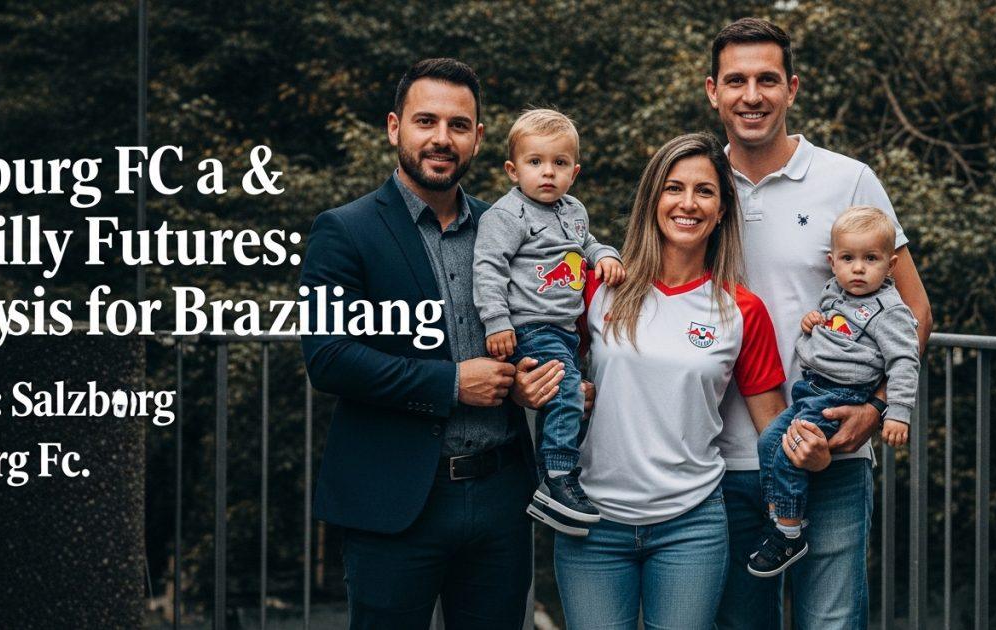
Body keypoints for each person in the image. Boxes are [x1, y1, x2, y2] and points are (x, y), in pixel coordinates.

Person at [299, 58, 567, 630]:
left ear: (479, 138)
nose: (442, 139)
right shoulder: (343, 231)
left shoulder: (508, 226)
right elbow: (328, 358)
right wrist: (451, 383)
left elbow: (539, 320)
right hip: (394, 504)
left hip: (500, 497)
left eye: (459, 125)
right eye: (426, 121)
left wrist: (529, 377)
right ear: (395, 127)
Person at [705, 18, 933, 629]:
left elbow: (914, 309)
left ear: (792, 88)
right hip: (716, 459)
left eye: (767, 80)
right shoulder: (695, 186)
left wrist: (879, 407)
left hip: (832, 448)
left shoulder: (847, 179)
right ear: (712, 91)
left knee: (829, 624)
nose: (751, 95)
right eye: (736, 81)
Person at [554, 132, 787, 629]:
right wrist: (558, 387)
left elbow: (774, 429)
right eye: (673, 188)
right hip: (592, 522)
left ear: (722, 210)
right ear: (652, 199)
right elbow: (547, 363)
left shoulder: (742, 310)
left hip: (692, 525)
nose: (688, 203)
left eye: (704, 191)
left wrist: (822, 439)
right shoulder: (598, 285)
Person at [472, 108, 625, 535]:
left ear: (573, 172)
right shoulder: (507, 215)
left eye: (559, 164)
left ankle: (563, 474)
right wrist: (497, 322)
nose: (547, 173)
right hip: (531, 325)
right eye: (535, 162)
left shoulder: (574, 210)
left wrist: (605, 255)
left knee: (582, 398)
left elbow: (586, 243)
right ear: (512, 169)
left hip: (565, 329)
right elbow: (488, 268)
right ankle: (557, 477)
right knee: (568, 396)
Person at [749, 205, 919, 578]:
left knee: (789, 454)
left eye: (870, 259)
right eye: (848, 258)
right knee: (767, 443)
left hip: (842, 397)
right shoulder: (835, 291)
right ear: (833, 262)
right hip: (809, 390)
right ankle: (779, 516)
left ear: (890, 265)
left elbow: (905, 362)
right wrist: (813, 321)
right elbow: (832, 324)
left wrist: (896, 413)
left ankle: (789, 533)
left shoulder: (889, 311)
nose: (858, 268)